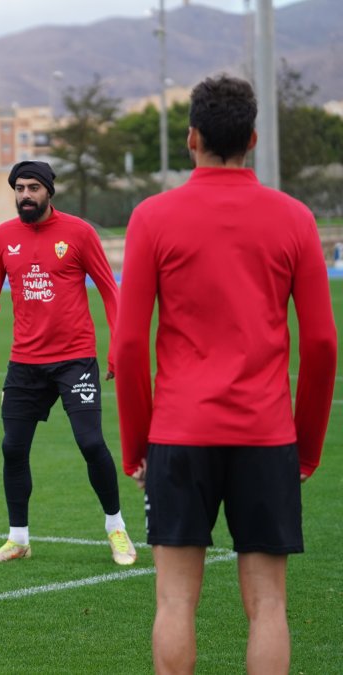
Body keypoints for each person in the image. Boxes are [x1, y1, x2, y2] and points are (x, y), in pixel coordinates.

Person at [113, 74, 337, 675]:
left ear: (191, 138)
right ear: (254, 139)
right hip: (266, 437)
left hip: (180, 436)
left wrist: (138, 445)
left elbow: (129, 343)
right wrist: (306, 449)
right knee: (268, 605)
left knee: (175, 599)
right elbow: (320, 342)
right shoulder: (293, 218)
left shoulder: (153, 217)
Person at [0, 160, 137, 565]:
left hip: (75, 359)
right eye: (19, 188)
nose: (25, 195)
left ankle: (117, 529)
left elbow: (110, 292)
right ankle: (18, 539)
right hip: (25, 362)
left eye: (33, 188)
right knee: (13, 447)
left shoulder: (79, 233)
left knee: (91, 442)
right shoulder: (1, 238)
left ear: (49, 191)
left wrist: (117, 349)